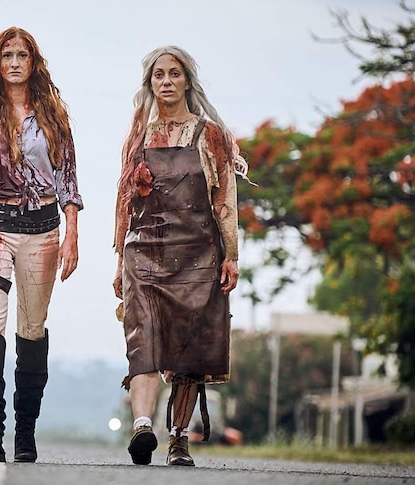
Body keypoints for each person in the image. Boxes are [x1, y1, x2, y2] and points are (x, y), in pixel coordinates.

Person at [112, 46, 250, 467]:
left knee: (189, 352)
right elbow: (123, 201)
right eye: (158, 75)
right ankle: (142, 427)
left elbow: (225, 200)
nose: (166, 81)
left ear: (187, 80)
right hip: (145, 252)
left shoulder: (210, 135)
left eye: (174, 74)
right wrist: (119, 261)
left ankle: (178, 439)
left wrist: (231, 256)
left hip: (197, 254)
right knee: (143, 341)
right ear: (149, 83)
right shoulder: (138, 136)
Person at [0, 27, 83, 463]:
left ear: (32, 63)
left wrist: (72, 236)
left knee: (31, 330)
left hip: (44, 230)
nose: (13, 62)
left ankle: (25, 434)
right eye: (6, 54)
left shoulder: (53, 115)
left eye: (21, 55)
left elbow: (68, 179)